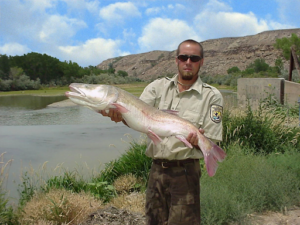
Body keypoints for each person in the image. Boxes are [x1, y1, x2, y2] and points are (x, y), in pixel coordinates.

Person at [100, 39, 223, 225]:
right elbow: (137, 119)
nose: (188, 62)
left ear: (201, 62)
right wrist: (121, 116)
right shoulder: (156, 87)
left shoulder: (212, 96)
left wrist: (198, 140)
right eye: (183, 57)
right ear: (176, 60)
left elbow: (212, 137)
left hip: (186, 173)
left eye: (194, 58)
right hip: (156, 171)